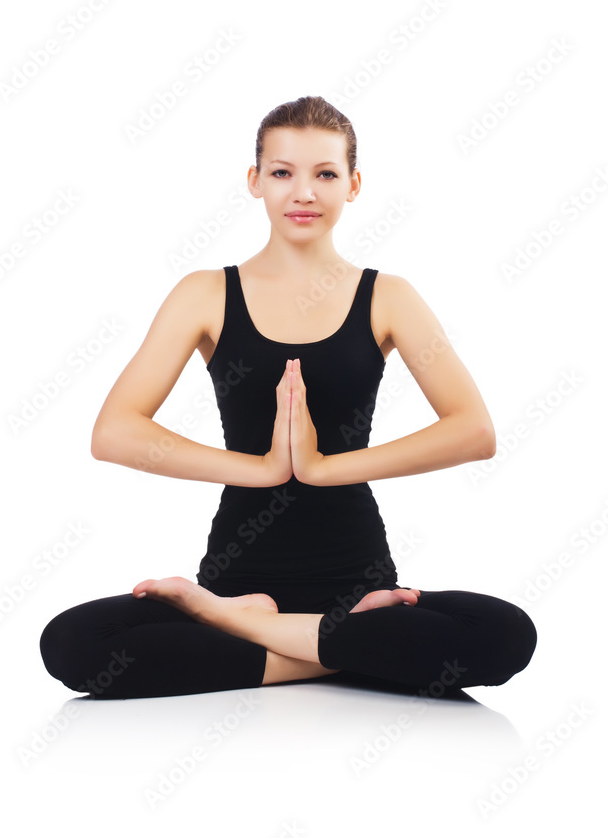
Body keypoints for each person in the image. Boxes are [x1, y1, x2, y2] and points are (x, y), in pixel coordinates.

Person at [39, 95, 537, 700]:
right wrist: (265, 468)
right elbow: (114, 432)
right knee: (72, 644)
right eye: (282, 173)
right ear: (255, 182)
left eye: (325, 174)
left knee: (506, 635)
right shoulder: (204, 295)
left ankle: (249, 631)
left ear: (353, 185)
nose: (304, 192)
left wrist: (324, 468)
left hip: (359, 586)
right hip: (238, 576)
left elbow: (473, 430)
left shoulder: (389, 297)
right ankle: (338, 650)